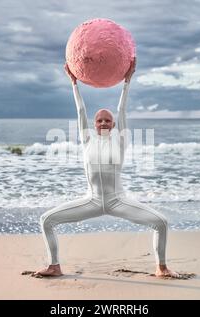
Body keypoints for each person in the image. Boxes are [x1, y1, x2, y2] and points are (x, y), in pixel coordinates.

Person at [34, 58, 183, 278]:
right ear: (94, 125)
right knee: (46, 220)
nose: (103, 123)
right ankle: (54, 265)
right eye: (100, 121)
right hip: (91, 201)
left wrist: (127, 82)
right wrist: (73, 83)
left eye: (107, 121)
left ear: (114, 125)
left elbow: (121, 109)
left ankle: (161, 268)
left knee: (161, 222)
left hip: (117, 201)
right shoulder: (87, 140)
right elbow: (80, 111)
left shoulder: (120, 140)